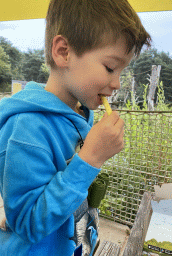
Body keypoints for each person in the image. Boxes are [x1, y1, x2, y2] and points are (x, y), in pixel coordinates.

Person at [0, 0, 151, 255]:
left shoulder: (81, 115)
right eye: (110, 68)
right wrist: (91, 157)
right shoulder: (27, 128)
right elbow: (27, 224)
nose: (117, 83)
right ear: (63, 52)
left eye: (121, 72)